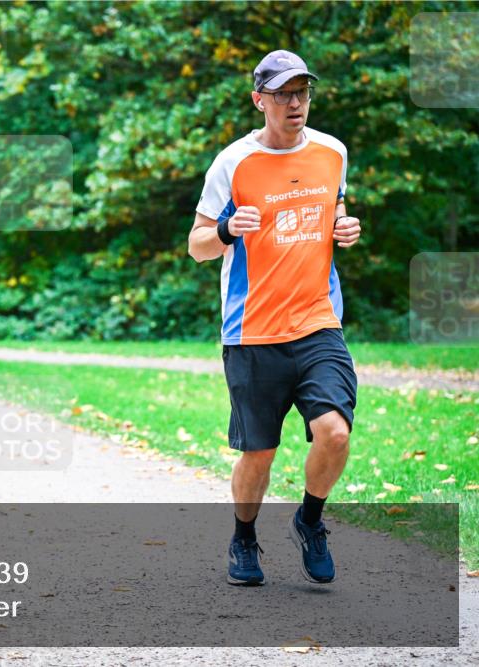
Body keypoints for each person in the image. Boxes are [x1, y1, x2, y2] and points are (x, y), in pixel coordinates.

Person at [188, 50, 361, 586]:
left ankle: (310, 521)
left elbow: (332, 208)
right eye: (283, 94)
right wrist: (224, 231)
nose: (295, 103)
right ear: (259, 99)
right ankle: (243, 538)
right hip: (251, 331)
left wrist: (344, 228)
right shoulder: (232, 164)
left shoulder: (333, 152)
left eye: (302, 93)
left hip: (316, 322)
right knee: (258, 454)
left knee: (334, 433)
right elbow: (196, 247)